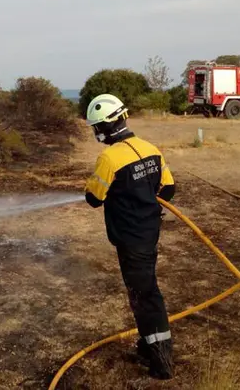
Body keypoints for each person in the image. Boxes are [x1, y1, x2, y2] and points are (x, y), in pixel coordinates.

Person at [82, 93, 176, 380]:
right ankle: (149, 344)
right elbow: (168, 189)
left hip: (131, 239)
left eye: (96, 127)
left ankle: (162, 361)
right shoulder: (150, 149)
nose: (96, 133)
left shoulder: (109, 158)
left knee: (145, 294)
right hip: (149, 233)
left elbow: (94, 198)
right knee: (143, 289)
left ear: (106, 127)